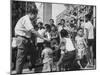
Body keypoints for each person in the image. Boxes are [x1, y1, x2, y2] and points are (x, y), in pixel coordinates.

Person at [14, 5, 48, 74]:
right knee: (21, 58)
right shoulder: (26, 19)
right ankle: (18, 72)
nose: (35, 18)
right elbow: (33, 31)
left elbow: (30, 32)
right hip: (22, 39)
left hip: (26, 39)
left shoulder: (28, 19)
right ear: (32, 13)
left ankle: (31, 65)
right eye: (35, 16)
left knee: (34, 51)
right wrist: (43, 38)